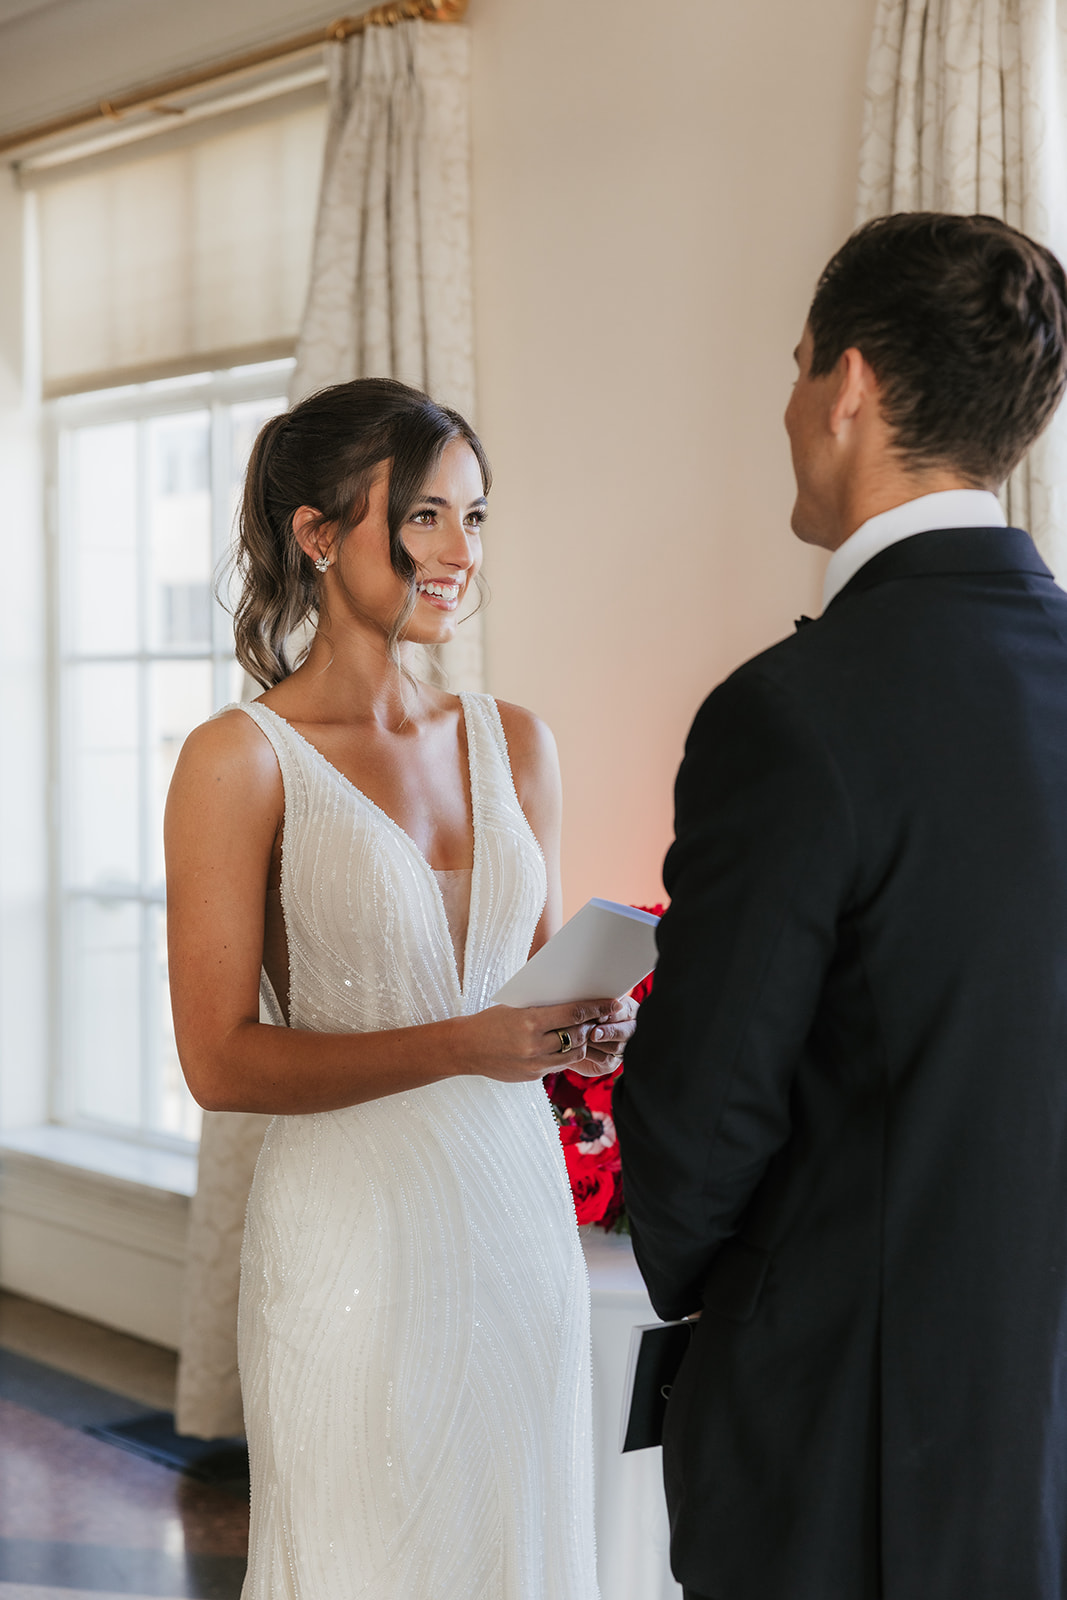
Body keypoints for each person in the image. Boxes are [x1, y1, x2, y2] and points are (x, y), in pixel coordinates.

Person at [613, 212, 1067, 1600]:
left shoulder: (792, 715)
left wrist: (725, 1288)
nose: (791, 401)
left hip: (837, 1437)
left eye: (798, 363)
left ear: (848, 386)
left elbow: (698, 1124)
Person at [164, 377, 636, 1600]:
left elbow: (524, 998)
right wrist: (469, 1043)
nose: (457, 553)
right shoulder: (239, 761)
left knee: (514, 1550)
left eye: (475, 519)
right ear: (318, 535)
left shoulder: (515, 739)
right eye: (424, 517)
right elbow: (218, 1060)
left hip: (515, 1226)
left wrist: (584, 1026)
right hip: (349, 1247)